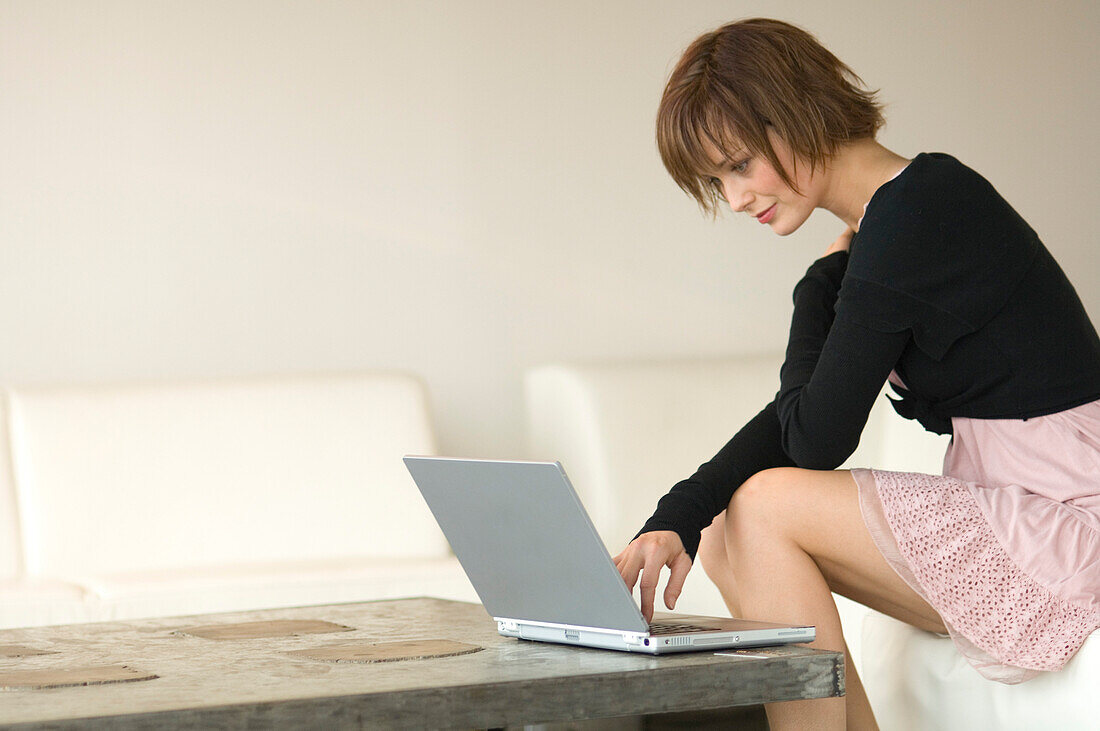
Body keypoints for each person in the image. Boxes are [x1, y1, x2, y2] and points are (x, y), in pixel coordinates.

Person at [611, 17, 1100, 731]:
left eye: (739, 164)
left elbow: (814, 435)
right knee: (723, 528)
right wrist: (677, 516)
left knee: (766, 504)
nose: (737, 197)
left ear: (796, 114)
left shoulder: (918, 212)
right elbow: (798, 415)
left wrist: (819, 283)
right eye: (720, 180)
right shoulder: (890, 227)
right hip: (1019, 504)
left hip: (1069, 518)